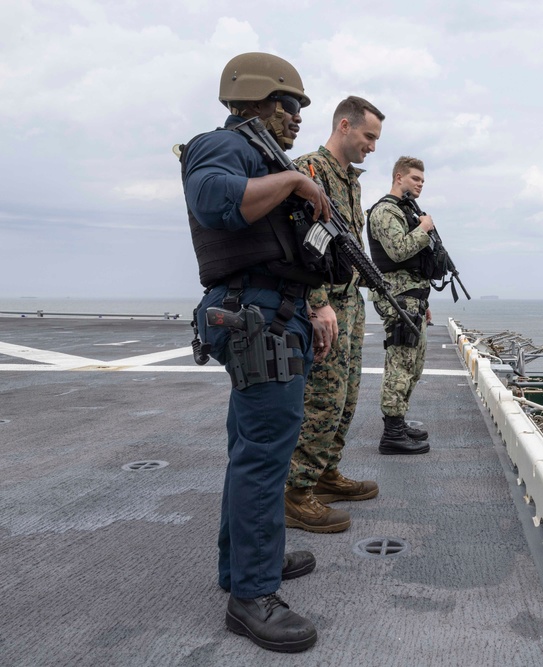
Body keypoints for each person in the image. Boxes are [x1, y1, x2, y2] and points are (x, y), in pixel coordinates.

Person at [181, 52, 336, 653]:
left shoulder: (261, 154)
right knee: (265, 456)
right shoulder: (223, 147)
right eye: (290, 105)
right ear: (255, 99)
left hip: (272, 315)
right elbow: (214, 201)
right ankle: (251, 596)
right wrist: (297, 181)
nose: (298, 118)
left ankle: (243, 565)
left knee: (252, 449)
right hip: (257, 321)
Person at [284, 97, 384, 532]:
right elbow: (302, 239)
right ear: (345, 126)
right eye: (369, 136)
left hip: (349, 301)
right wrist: (318, 300)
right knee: (321, 399)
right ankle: (296, 492)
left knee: (346, 398)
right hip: (323, 302)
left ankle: (325, 473)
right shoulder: (309, 168)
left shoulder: (351, 180)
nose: (373, 147)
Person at [366, 156, 436, 455]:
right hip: (397, 299)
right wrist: (424, 229)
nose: (420, 184)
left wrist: (423, 300)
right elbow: (398, 252)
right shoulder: (385, 211)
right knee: (400, 365)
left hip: (411, 299)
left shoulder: (405, 211)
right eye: (414, 179)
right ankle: (392, 434)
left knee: (413, 366)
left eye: (422, 180)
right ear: (398, 177)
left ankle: (399, 421)